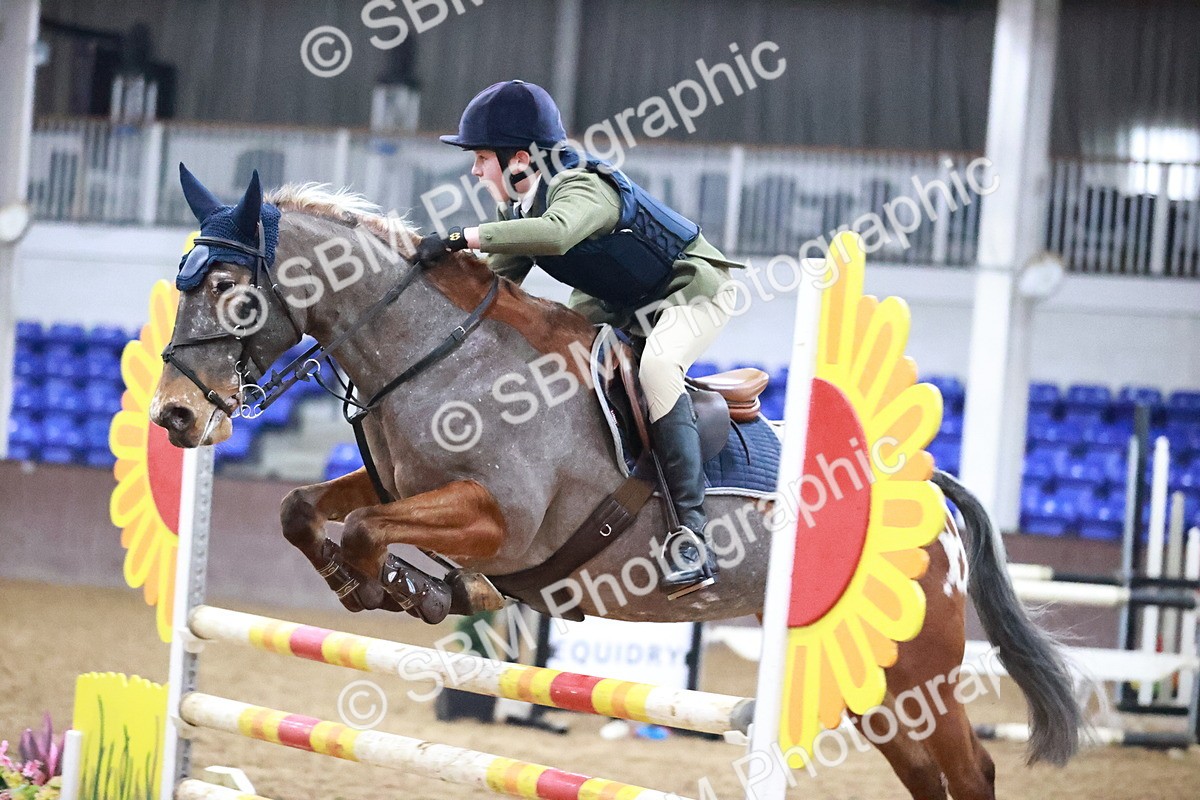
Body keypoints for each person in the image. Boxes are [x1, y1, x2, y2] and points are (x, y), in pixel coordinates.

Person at [416, 80, 742, 599]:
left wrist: (462, 237)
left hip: (688, 290)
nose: (475, 171)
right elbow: (492, 288)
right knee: (553, 359)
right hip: (620, 304)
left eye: (481, 158)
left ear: (520, 158)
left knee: (658, 368)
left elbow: (559, 233)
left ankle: (692, 537)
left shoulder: (582, 186)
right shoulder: (517, 211)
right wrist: (425, 284)